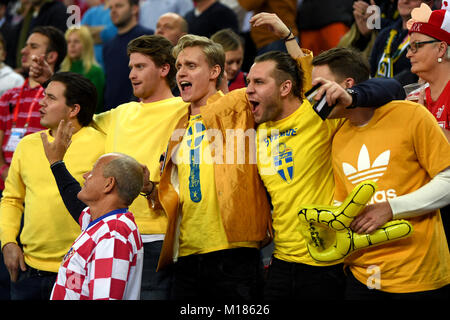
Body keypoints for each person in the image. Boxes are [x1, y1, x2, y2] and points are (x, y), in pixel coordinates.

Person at [248, 12, 406, 300]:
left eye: (258, 82)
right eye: (248, 81)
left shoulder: (320, 116)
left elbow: (391, 87)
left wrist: (288, 36)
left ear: (285, 87)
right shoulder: (257, 130)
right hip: (282, 260)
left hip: (327, 262)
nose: (248, 90)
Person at [154, 33, 272, 300]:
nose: (181, 72)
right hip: (186, 254)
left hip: (234, 252)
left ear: (214, 71)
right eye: (179, 67)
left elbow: (294, 88)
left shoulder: (239, 105)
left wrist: (286, 36)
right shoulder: (178, 125)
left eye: (191, 66)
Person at [325, 49, 450, 299]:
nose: (314, 97)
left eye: (320, 87)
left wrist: (391, 207)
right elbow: (344, 199)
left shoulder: (410, 114)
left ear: (347, 86)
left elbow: (447, 181)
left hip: (418, 275)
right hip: (362, 275)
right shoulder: (335, 135)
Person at [0, 72, 105, 300]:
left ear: (73, 109)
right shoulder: (28, 145)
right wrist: (8, 242)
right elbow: (11, 199)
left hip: (78, 268)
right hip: (27, 270)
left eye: (50, 98)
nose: (41, 103)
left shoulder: (102, 144)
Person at [40, 124, 144, 299]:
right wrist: (56, 163)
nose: (85, 175)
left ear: (108, 184)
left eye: (93, 171)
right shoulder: (102, 222)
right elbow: (74, 200)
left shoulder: (113, 234)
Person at [0, 26, 66, 192]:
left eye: (33, 47)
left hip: (41, 185)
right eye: (26, 45)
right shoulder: (9, 96)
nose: (24, 50)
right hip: (6, 185)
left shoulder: (62, 99)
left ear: (51, 56)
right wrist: (3, 170)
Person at [102, 0, 153, 111]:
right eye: (111, 8)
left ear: (134, 9)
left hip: (139, 111)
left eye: (119, 6)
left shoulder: (148, 37)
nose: (113, 11)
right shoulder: (108, 46)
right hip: (112, 114)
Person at [370, 0, 434, 85]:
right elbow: (370, 69)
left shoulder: (431, 38)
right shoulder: (385, 34)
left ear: (429, 3)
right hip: (378, 93)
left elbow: (414, 76)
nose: (404, 1)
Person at [60, 26, 105, 113]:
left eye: (76, 41)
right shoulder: (62, 72)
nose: (72, 45)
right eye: (68, 42)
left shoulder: (95, 72)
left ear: (86, 44)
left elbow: (94, 105)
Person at [13, 0, 69, 71]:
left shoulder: (58, 11)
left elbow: (58, 45)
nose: (23, 51)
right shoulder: (30, 14)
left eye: (33, 47)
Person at [81, 0, 117, 69]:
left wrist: (91, 30)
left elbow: (113, 33)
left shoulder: (122, 13)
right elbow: (81, 35)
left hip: (112, 65)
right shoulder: (91, 12)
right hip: (90, 66)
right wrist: (104, 28)